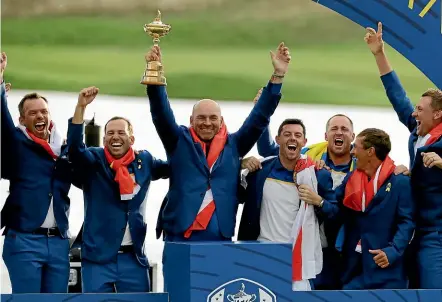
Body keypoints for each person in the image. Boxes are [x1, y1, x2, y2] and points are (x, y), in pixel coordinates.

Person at [67, 87, 169, 293]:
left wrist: (235, 163)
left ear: (131, 139)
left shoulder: (145, 161)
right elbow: (75, 150)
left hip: (133, 259)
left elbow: (177, 168)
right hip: (97, 259)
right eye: (110, 133)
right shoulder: (95, 160)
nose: (115, 137)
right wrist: (81, 108)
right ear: (104, 140)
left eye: (121, 132)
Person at [366, 22, 442, 289]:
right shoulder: (418, 133)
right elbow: (398, 97)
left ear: (437, 114)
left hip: (436, 234)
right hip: (416, 230)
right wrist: (379, 54)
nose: (414, 113)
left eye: (420, 109)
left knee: (433, 292)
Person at [0, 52, 74, 293]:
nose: (40, 116)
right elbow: (3, 121)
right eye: (33, 113)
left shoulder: (62, 149)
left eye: (44, 111)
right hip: (24, 240)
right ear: (22, 119)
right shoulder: (16, 143)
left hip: (59, 242)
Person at [238, 118, 337, 290]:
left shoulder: (317, 175)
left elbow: (335, 213)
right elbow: (235, 196)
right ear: (277, 140)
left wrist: (318, 201)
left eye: (298, 135)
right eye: (287, 134)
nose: (293, 138)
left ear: (304, 142)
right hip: (261, 253)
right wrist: (239, 164)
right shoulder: (260, 170)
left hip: (298, 258)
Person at [323, 128, 415, 289]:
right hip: (354, 269)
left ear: (370, 151)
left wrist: (392, 251)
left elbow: (407, 222)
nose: (352, 152)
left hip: (386, 271)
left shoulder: (400, 182)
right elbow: (335, 207)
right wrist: (319, 199)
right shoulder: (352, 178)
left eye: (356, 147)